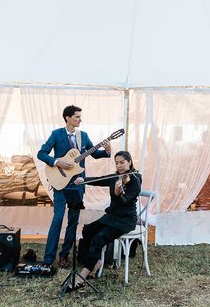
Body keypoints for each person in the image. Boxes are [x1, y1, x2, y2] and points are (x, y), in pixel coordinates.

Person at [37, 105, 111, 268]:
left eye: (80, 117)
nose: (80, 119)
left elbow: (94, 154)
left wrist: (106, 151)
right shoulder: (56, 134)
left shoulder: (83, 136)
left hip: (77, 185)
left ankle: (64, 255)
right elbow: (41, 153)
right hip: (60, 184)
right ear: (68, 118)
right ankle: (49, 259)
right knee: (57, 219)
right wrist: (57, 161)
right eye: (77, 117)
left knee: (73, 221)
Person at [71, 150, 141, 288]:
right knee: (88, 230)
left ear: (129, 162)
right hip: (111, 216)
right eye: (116, 163)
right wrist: (83, 180)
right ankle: (95, 262)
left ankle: (83, 275)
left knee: (99, 239)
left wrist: (118, 190)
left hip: (125, 220)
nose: (119, 166)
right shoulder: (116, 177)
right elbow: (101, 179)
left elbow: (124, 202)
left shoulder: (135, 180)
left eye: (122, 162)